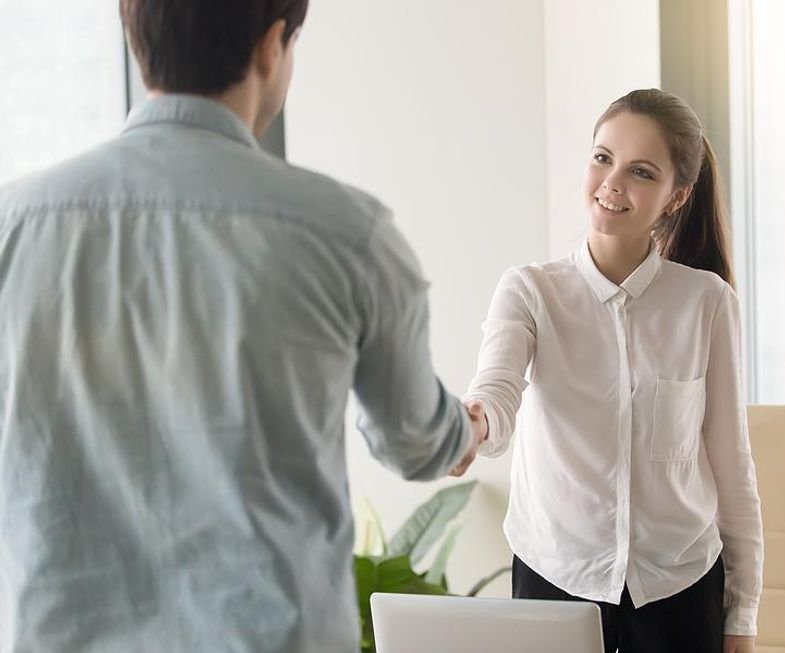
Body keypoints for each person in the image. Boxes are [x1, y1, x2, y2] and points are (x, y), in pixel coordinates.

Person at [0, 1, 485, 650]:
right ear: (272, 45)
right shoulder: (348, 233)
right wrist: (470, 427)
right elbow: (415, 440)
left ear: (135, 38)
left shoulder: (15, 224)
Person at [458, 89, 763, 653]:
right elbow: (496, 394)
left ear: (677, 196)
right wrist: (470, 428)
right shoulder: (530, 291)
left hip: (680, 587)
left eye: (641, 171)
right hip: (556, 577)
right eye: (602, 157)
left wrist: (742, 613)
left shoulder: (707, 303)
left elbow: (732, 467)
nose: (612, 182)